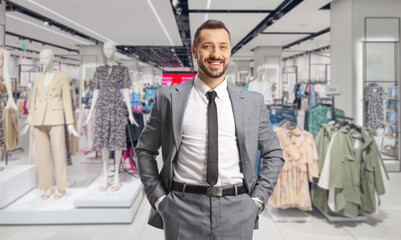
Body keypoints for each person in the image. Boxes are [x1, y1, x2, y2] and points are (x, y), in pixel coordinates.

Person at [135, 19, 284, 240]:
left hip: (238, 209)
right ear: (195, 51)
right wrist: (159, 200)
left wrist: (257, 202)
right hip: (182, 209)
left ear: (229, 51)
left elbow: (274, 153)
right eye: (207, 46)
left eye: (223, 46)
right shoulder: (168, 98)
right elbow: (145, 150)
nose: (216, 53)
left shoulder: (252, 102)